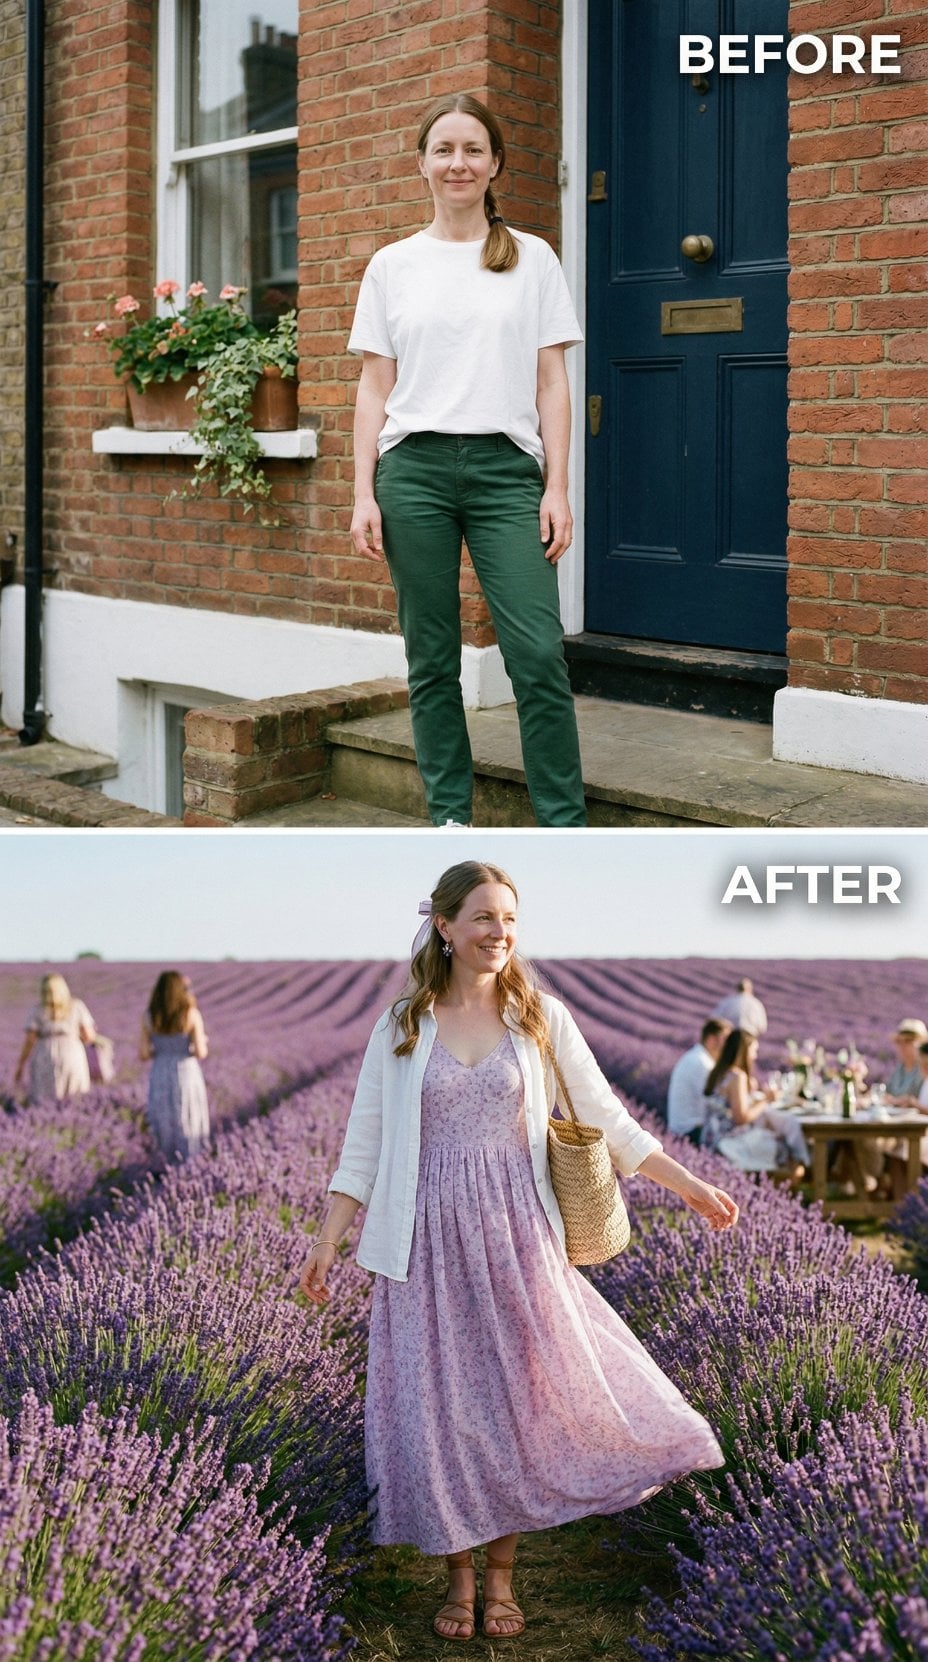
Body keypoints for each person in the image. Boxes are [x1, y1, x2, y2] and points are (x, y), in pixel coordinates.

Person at [299, 861, 739, 1641]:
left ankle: (503, 1579)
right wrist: (328, 1242)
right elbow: (361, 1145)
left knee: (517, 1408)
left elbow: (608, 1118)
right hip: (425, 1243)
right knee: (446, 1411)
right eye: (482, 918)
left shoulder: (541, 1016)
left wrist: (688, 1184)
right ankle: (458, 1578)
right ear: (443, 926)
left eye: (509, 919)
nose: (499, 932)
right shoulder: (403, 1024)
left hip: (518, 1235)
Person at [347, 93, 587, 829]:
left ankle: (563, 823)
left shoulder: (533, 258)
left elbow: (552, 382)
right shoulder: (392, 266)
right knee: (431, 658)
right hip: (412, 473)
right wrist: (363, 493)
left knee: (538, 653)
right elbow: (373, 387)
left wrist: (557, 487)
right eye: (444, 149)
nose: (459, 162)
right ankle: (449, 815)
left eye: (473, 149)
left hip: (505, 473)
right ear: (422, 164)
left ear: (495, 165)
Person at [701, 1028, 808, 1182]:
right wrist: (766, 1099)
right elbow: (741, 1118)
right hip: (727, 1143)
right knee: (787, 1150)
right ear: (744, 1052)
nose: (755, 1055)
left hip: (710, 1140)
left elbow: (727, 1108)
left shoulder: (717, 1072)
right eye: (753, 1050)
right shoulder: (737, 1076)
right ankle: (785, 1191)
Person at [139, 971, 210, 1160]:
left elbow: (143, 1054)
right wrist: (197, 1043)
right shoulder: (191, 1014)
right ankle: (190, 1159)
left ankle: (164, 1161)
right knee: (188, 1115)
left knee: (162, 1117)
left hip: (160, 1070)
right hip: (186, 1070)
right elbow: (201, 1053)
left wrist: (161, 1050)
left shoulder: (149, 1017)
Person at [13, 973, 96, 1102]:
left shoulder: (37, 1010)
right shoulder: (77, 1006)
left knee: (44, 1096)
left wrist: (20, 1064)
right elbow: (89, 1037)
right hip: (71, 1053)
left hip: (44, 1054)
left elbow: (30, 1040)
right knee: (74, 1095)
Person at [666, 1018, 731, 1143]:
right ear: (712, 1040)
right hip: (689, 1132)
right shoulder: (702, 1063)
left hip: (684, 1129)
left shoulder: (697, 1057)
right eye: (726, 1040)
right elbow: (715, 1104)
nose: (729, 1047)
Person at [883, 1018, 927, 1106]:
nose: (902, 1046)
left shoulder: (925, 1069)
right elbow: (886, 1093)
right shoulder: (898, 1068)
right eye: (899, 1041)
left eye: (908, 1041)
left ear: (921, 1043)